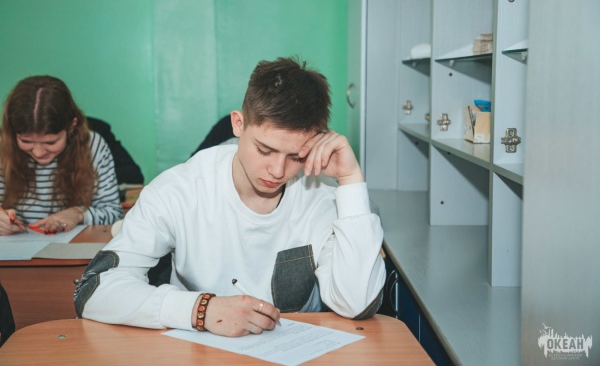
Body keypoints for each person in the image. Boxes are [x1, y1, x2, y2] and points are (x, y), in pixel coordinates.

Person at [75, 57, 386, 336]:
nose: (277, 170)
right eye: (264, 150)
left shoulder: (325, 197)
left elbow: (356, 303)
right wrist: (201, 309)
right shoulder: (179, 189)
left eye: (296, 156)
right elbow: (93, 291)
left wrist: (350, 179)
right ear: (238, 124)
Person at [0, 75, 123, 235]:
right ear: (12, 131)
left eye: (50, 142)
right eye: (26, 141)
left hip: (75, 248)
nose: (38, 152)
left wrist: (77, 215)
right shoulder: (3, 147)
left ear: (72, 126)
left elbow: (114, 214)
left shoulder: (92, 146)